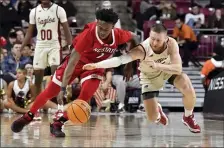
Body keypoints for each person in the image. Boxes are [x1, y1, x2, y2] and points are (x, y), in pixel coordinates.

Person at [11, 9, 142, 137]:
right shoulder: (88, 34)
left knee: (84, 98)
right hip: (76, 63)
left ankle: (58, 123)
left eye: (105, 29)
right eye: (100, 27)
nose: (101, 31)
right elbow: (72, 62)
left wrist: (130, 64)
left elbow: (134, 38)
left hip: (95, 66)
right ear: (97, 23)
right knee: (51, 91)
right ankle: (29, 116)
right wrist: (63, 87)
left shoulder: (119, 35)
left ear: (113, 27)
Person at [83, 24, 201, 133]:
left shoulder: (172, 44)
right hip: (150, 76)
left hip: (166, 70)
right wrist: (97, 65)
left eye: (158, 40)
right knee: (152, 117)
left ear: (165, 39)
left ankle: (188, 117)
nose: (154, 43)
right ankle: (157, 111)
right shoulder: (142, 49)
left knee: (186, 84)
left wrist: (157, 65)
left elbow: (178, 68)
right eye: (152, 38)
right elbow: (120, 60)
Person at [20, 0, 72, 104]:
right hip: (40, 45)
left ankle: (59, 106)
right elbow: (29, 32)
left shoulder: (59, 9)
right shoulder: (34, 11)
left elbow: (66, 30)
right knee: (38, 78)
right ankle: (38, 105)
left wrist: (71, 46)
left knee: (55, 74)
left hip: (54, 45)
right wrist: (21, 48)